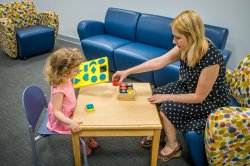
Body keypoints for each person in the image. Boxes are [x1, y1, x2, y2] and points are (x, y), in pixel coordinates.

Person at [112, 10, 229, 162]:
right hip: (189, 88)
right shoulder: (185, 46)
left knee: (167, 105)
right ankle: (161, 130)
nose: (174, 41)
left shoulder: (211, 58)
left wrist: (166, 97)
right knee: (156, 93)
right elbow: (158, 62)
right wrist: (127, 71)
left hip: (210, 101)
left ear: (192, 35)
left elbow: (199, 97)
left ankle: (173, 146)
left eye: (178, 37)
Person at [44, 48, 98, 156]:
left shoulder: (65, 78)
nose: (78, 72)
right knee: (82, 126)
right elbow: (57, 112)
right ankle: (82, 144)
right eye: (75, 70)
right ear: (65, 72)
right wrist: (71, 122)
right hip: (62, 120)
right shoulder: (59, 90)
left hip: (69, 110)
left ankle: (87, 138)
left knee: (90, 117)